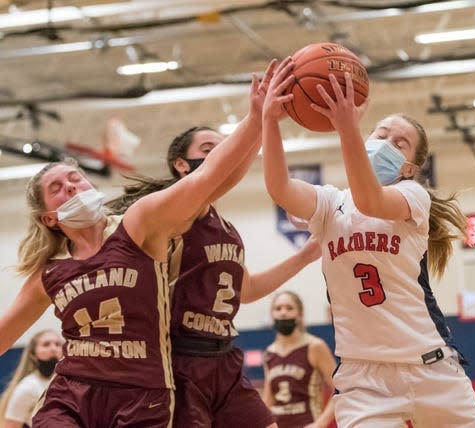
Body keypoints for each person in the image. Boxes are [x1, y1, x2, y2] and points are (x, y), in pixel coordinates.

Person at [0, 58, 282, 428]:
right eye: (58, 188)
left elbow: (207, 180)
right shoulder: (50, 272)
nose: (72, 186)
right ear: (49, 218)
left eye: (76, 178)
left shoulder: (138, 225)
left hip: (142, 395)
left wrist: (255, 120)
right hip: (73, 392)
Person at [261, 68, 475, 427]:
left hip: (430, 368)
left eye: (399, 143)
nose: (386, 143)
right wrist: (270, 122)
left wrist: (346, 129)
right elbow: (279, 187)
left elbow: (369, 200)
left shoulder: (412, 197)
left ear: (409, 168)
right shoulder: (328, 204)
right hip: (364, 379)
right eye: (381, 134)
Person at [105, 94, 321, 426]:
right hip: (179, 357)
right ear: (180, 164)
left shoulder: (226, 228)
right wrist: (260, 121)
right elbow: (217, 175)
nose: (221, 155)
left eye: (224, 148)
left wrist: (305, 256)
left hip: (223, 355)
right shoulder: (172, 214)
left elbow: (245, 289)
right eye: (209, 149)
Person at [263, 291, 336, 428]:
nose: (283, 313)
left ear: (300, 315)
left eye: (289, 308)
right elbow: (268, 400)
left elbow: (340, 389)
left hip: (308, 422)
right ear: (272, 316)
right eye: (278, 308)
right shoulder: (269, 353)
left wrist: (320, 424)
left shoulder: (315, 347)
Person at [0, 329, 63, 428]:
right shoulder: (28, 386)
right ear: (33, 354)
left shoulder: (70, 382)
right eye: (46, 344)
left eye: (58, 344)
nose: (53, 348)